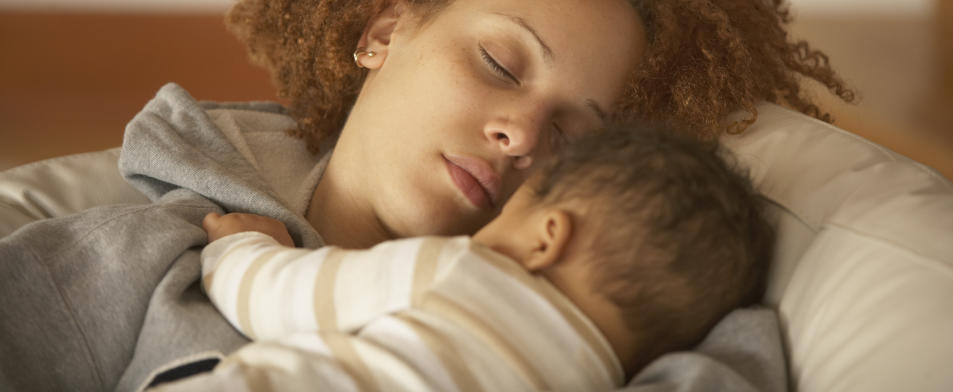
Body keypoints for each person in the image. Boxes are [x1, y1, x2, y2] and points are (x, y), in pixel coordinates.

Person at [0, 0, 845, 392]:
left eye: (572, 136)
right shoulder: (143, 263)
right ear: (384, 30)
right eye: (499, 62)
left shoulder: (638, 334)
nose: (522, 135)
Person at [157, 124, 772, 391]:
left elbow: (279, 298)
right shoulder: (600, 381)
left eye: (515, 207)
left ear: (546, 235)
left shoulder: (459, 270)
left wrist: (239, 245)